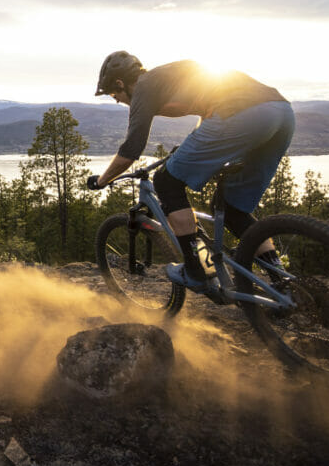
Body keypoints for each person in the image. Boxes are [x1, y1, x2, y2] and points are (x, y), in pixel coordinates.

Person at [87, 51, 294, 293]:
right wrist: (190, 146)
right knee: (233, 209)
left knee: (166, 182)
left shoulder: (143, 87)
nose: (118, 101)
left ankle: (196, 272)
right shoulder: (166, 76)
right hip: (282, 113)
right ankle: (283, 283)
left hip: (242, 114)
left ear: (121, 83)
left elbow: (131, 150)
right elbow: (207, 111)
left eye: (114, 95)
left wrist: (102, 181)